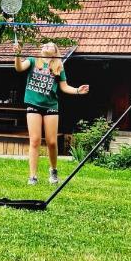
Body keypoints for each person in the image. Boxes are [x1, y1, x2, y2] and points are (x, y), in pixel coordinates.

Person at [15, 42, 89, 185]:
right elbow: (18, 68)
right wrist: (18, 54)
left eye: (49, 45)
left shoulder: (58, 66)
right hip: (33, 104)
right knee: (35, 140)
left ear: (55, 51)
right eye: (44, 45)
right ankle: (32, 176)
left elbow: (64, 87)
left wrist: (78, 90)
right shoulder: (32, 60)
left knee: (52, 142)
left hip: (50, 106)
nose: (45, 46)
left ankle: (53, 170)